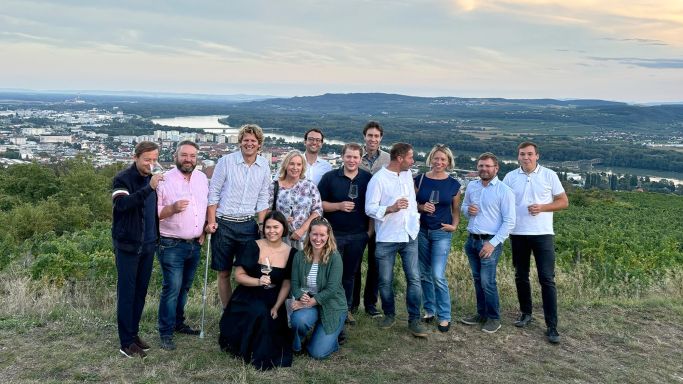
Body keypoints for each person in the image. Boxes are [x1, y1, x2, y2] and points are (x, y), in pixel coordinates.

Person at [503, 142, 569, 344]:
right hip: (518, 233)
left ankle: (552, 326)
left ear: (537, 156)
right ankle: (526, 313)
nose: (526, 157)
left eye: (530, 154)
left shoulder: (549, 175)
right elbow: (502, 203)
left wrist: (543, 207)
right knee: (521, 276)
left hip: (543, 234)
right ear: (518, 157)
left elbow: (563, 202)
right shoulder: (510, 177)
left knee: (547, 279)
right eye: (522, 154)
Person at [218, 211, 296, 370]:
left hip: (275, 296)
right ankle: (250, 350)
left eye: (276, 227)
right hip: (249, 293)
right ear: (263, 229)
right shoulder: (252, 246)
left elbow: (287, 284)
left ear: (284, 228)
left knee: (269, 314)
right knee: (259, 310)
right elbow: (238, 276)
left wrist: (277, 306)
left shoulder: (291, 253)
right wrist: (258, 281)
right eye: (268, 227)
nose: (271, 231)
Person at [365, 142, 428, 338]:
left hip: (409, 235)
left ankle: (414, 319)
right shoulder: (378, 180)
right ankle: (389, 314)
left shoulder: (408, 174)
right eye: (410, 157)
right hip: (387, 238)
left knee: (414, 279)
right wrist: (390, 208)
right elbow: (369, 208)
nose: (413, 161)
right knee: (385, 280)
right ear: (400, 158)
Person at [206, 124, 272, 308]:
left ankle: (244, 310)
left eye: (253, 141)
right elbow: (214, 193)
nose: (249, 143)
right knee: (224, 272)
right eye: (246, 140)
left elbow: (263, 197)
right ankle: (228, 311)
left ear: (259, 144)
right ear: (240, 142)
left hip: (248, 225)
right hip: (224, 223)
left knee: (248, 272)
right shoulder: (226, 161)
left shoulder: (264, 165)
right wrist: (211, 221)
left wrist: (261, 225)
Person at [155, 140, 208, 350]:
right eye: (184, 155)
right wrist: (173, 209)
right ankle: (166, 332)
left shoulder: (202, 178)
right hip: (171, 244)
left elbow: (205, 206)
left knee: (184, 288)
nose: (188, 159)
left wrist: (203, 229)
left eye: (193, 156)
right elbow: (154, 214)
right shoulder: (163, 180)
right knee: (172, 289)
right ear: (176, 156)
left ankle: (178, 323)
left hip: (194, 244)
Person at [112, 141, 163, 359]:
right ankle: (125, 342)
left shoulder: (150, 180)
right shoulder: (123, 178)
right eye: (147, 160)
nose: (151, 164)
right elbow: (122, 205)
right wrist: (149, 188)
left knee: (140, 293)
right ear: (136, 158)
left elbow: (152, 212)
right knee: (127, 293)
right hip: (128, 245)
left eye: (154, 159)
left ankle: (133, 334)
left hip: (148, 244)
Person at [459, 152, 515, 334]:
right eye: (481, 166)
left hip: (489, 242)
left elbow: (509, 222)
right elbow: (464, 208)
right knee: (477, 280)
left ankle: (494, 318)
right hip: (472, 241)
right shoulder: (472, 187)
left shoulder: (504, 191)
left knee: (487, 281)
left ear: (496, 168)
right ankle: (481, 314)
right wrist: (468, 210)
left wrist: (492, 243)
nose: (483, 169)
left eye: (488, 166)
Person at [318, 143, 373, 325]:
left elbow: (373, 206)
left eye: (355, 157)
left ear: (360, 159)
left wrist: (369, 232)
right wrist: (338, 206)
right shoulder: (330, 177)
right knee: (331, 275)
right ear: (343, 157)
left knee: (350, 275)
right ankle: (327, 309)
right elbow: (318, 205)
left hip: (358, 235)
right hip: (335, 235)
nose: (352, 160)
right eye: (348, 156)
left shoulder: (367, 178)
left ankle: (345, 310)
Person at [414, 144, 461, 333]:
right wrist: (422, 207)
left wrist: (455, 226)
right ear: (430, 159)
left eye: (443, 159)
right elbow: (412, 204)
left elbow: (456, 210)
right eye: (436, 158)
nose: (439, 162)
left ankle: (445, 316)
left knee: (437, 275)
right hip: (422, 231)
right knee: (424, 273)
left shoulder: (454, 185)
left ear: (449, 162)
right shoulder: (420, 179)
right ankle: (429, 309)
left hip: (442, 232)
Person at [290, 218, 347, 359]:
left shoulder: (335, 257)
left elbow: (332, 289)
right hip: (309, 302)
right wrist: (300, 296)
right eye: (315, 234)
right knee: (299, 320)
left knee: (317, 353)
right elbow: (295, 283)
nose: (318, 239)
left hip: (332, 305)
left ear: (328, 236)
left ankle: (334, 334)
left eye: (322, 235)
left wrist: (307, 302)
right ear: (309, 234)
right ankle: (297, 345)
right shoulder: (299, 256)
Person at [353, 121, 390, 317]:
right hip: (358, 217)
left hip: (380, 220)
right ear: (364, 137)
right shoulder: (356, 157)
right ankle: (352, 303)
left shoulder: (388, 159)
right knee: (355, 263)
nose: (373, 139)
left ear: (381, 138)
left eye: (376, 136)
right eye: (370, 135)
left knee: (376, 264)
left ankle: (370, 304)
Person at [268, 150, 323, 250]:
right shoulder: (274, 186)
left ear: (302, 167)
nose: (295, 168)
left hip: (304, 238)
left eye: (298, 164)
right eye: (291, 164)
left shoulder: (309, 186)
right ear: (285, 165)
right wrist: (281, 219)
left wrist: (302, 230)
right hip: (279, 237)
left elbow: (317, 211)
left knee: (302, 264)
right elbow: (268, 211)